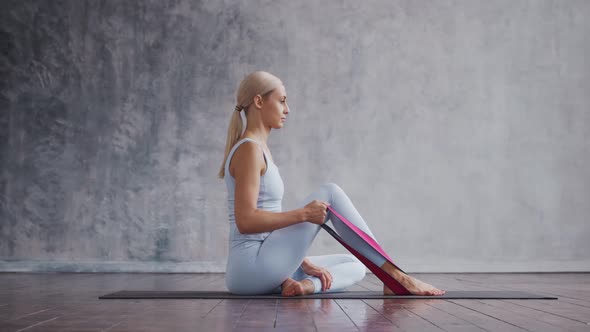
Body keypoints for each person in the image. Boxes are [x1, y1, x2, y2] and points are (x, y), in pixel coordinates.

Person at [218, 70, 445, 297]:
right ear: (259, 101)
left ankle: (304, 286)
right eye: (282, 101)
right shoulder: (249, 149)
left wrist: (302, 262)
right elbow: (246, 221)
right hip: (250, 268)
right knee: (330, 192)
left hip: (264, 261)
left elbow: (268, 229)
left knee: (355, 265)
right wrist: (304, 214)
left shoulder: (258, 148)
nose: (287, 110)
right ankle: (397, 277)